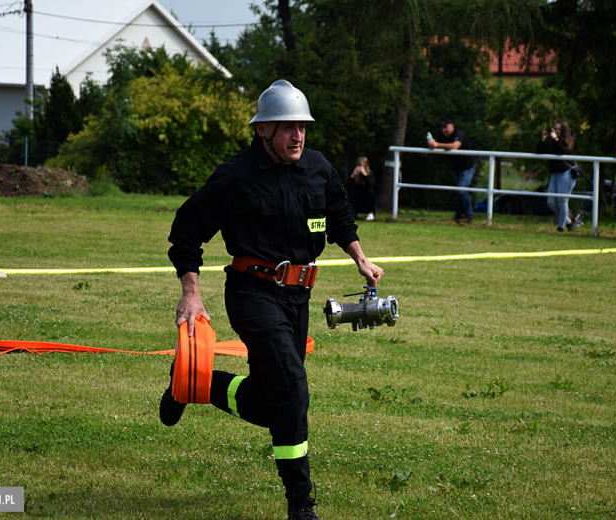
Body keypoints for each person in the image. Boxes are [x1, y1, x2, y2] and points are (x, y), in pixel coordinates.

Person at [164, 80, 384, 520]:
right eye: (287, 128)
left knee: (274, 401)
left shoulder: (318, 169)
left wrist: (359, 257)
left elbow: (339, 215)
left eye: (302, 127)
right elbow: (186, 230)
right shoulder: (234, 177)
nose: (298, 136)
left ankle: (195, 384)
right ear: (263, 131)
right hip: (251, 293)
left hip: (298, 298)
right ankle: (300, 505)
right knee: (293, 391)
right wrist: (191, 293)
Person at [427, 118, 476, 223]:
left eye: (446, 127)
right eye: (442, 128)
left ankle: (459, 212)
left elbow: (455, 146)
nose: (444, 130)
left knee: (461, 190)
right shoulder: (442, 136)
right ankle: (468, 216)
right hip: (456, 168)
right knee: (463, 191)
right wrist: (431, 144)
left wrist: (436, 145)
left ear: (452, 126)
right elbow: (434, 144)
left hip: (467, 167)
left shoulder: (459, 133)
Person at [537, 121, 580, 232]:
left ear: (564, 131)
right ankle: (568, 221)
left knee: (562, 202)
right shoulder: (552, 143)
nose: (556, 132)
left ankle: (561, 227)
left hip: (566, 174)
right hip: (554, 175)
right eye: (555, 129)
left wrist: (556, 140)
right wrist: (543, 139)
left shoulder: (569, 141)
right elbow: (539, 152)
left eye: (559, 129)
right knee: (551, 203)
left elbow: (563, 152)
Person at [346, 156, 375, 220]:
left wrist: (364, 174)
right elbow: (347, 186)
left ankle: (371, 213)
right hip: (355, 200)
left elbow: (370, 186)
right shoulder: (353, 173)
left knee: (371, 192)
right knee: (352, 216)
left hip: (366, 200)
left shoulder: (369, 174)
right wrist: (353, 175)